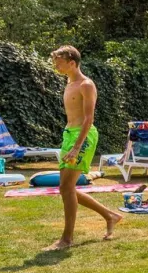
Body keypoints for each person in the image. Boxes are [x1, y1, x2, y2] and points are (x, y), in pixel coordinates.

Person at [45, 45, 123, 250]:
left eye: (59, 64)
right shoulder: (68, 83)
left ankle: (67, 239)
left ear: (72, 63)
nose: (56, 67)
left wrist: (77, 147)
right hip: (69, 134)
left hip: (84, 136)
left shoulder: (86, 85)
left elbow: (89, 118)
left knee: (66, 187)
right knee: (65, 188)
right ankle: (110, 215)